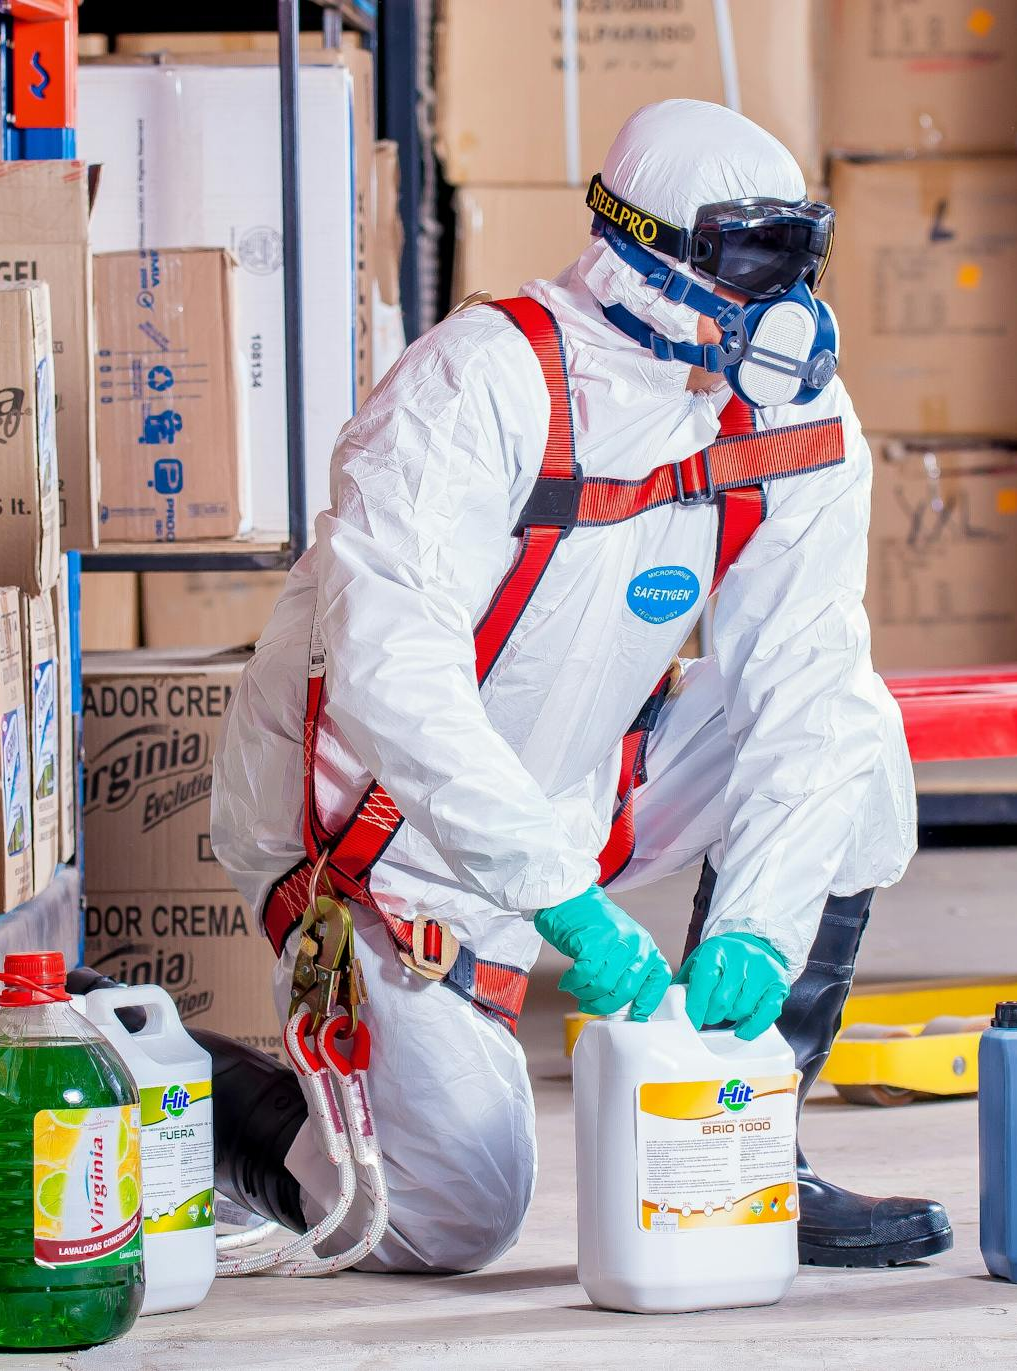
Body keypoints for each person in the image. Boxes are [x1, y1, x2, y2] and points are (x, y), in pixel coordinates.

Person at [205, 98, 937, 1274]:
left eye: (798, 263)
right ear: (643, 250)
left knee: (857, 732)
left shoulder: (790, 408)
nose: (784, 308)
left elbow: (804, 674)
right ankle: (184, 1096)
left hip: (581, 771)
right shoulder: (476, 388)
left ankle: (759, 1152)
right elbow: (396, 677)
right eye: (752, 265)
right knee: (455, 1215)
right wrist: (555, 896)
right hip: (374, 835)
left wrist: (760, 920)